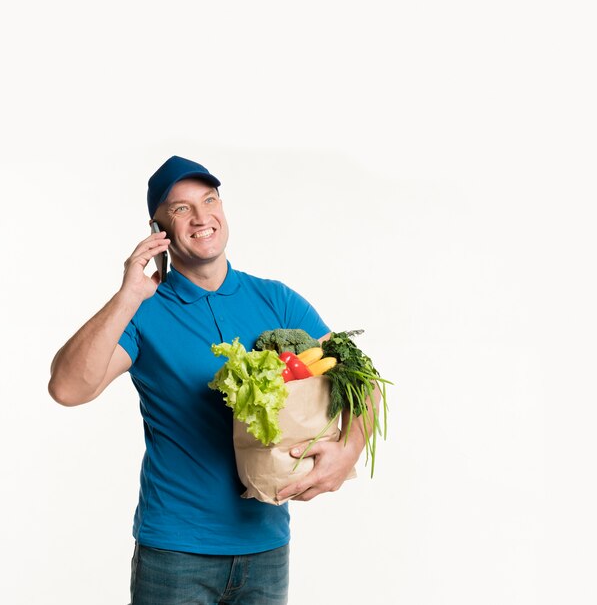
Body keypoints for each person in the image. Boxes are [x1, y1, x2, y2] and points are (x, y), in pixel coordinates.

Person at [48, 155, 369, 605]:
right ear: (156, 228)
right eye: (180, 208)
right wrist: (127, 296)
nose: (201, 217)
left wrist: (348, 450)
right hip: (175, 552)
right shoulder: (143, 313)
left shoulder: (275, 299)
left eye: (209, 200)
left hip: (266, 546)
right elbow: (67, 388)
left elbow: (358, 378)